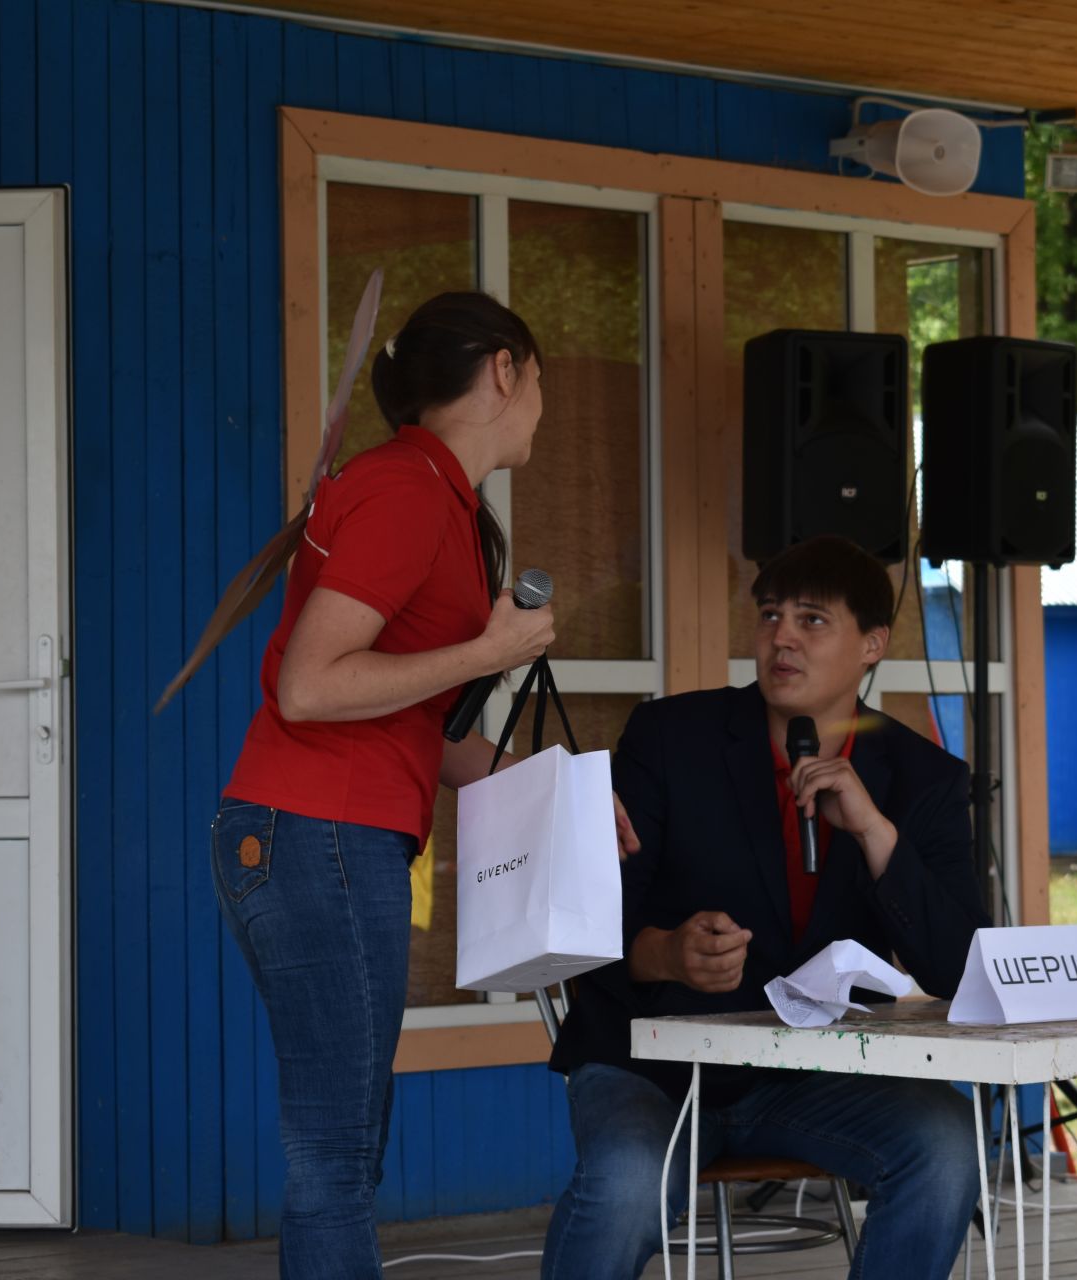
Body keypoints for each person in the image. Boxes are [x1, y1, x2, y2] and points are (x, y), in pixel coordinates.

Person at [210, 292, 565, 1279]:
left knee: (349, 1139)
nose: (543, 403)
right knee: (335, 1148)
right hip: (318, 830)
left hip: (330, 833)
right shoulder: (408, 489)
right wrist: (488, 649)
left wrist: (558, 792)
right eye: (539, 379)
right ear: (504, 368)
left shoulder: (439, 500)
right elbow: (313, 685)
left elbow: (416, 722)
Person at [542, 534, 990, 1280]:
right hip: (654, 1064)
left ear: (872, 644)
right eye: (771, 615)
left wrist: (877, 834)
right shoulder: (670, 737)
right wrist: (667, 950)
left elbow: (960, 967)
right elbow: (594, 916)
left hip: (815, 1074)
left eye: (812, 620)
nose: (782, 635)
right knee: (624, 1188)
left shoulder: (923, 779)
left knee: (945, 1149)